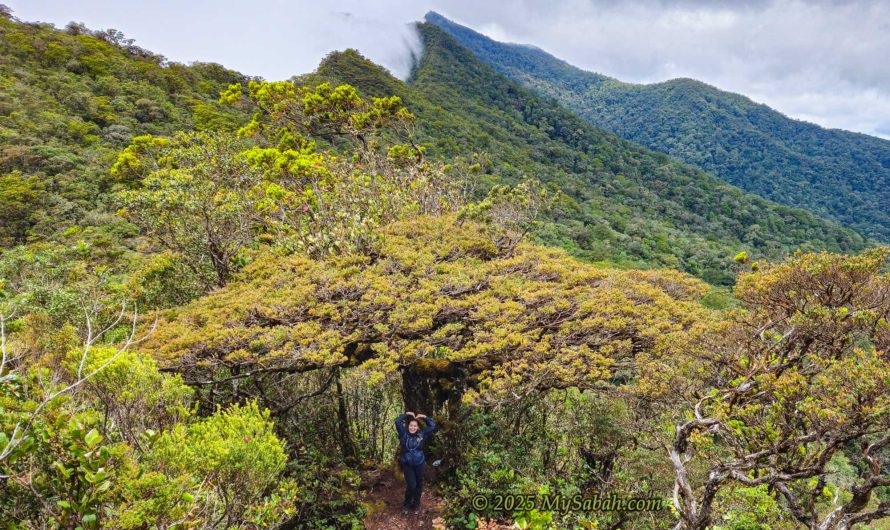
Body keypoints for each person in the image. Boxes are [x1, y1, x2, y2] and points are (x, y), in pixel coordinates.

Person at [395, 411, 436, 515]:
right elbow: (397, 422)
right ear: (408, 426)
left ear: (417, 427)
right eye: (411, 425)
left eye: (414, 426)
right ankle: (406, 504)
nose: (412, 427)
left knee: (419, 484)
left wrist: (424, 416)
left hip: (419, 463)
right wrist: (407, 414)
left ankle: (416, 504)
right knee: (412, 485)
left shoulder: (422, 434)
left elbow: (432, 425)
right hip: (407, 464)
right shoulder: (403, 433)